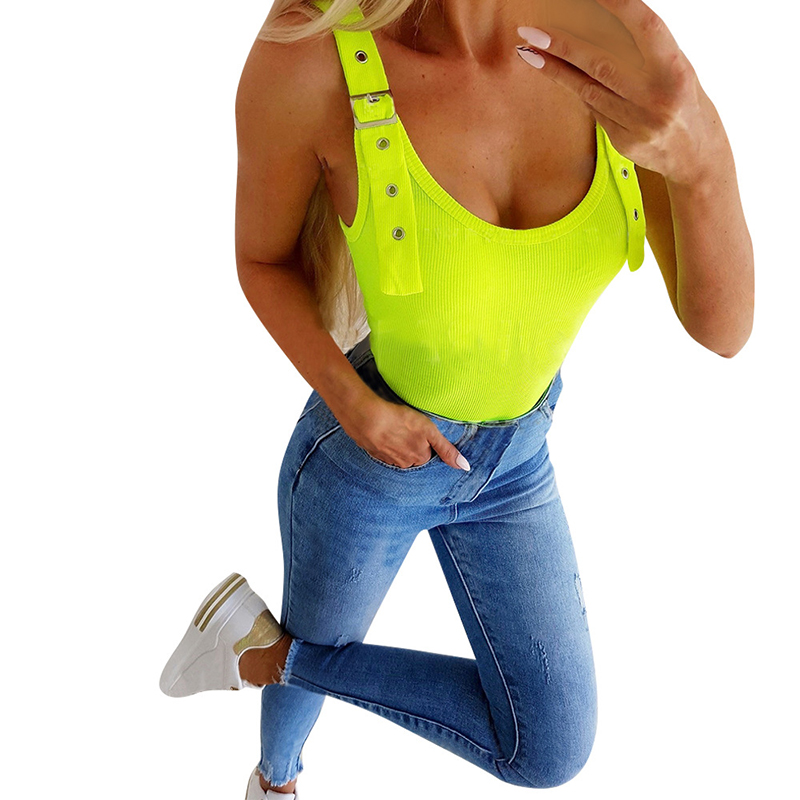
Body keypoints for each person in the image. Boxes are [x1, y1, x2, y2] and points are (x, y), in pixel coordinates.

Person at [159, 1, 753, 797]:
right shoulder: (310, 55)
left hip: (515, 462)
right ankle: (276, 780)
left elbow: (724, 330)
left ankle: (257, 651)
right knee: (314, 675)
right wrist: (355, 407)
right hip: (369, 462)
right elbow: (262, 260)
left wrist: (706, 160)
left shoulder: (613, 44)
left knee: (547, 749)